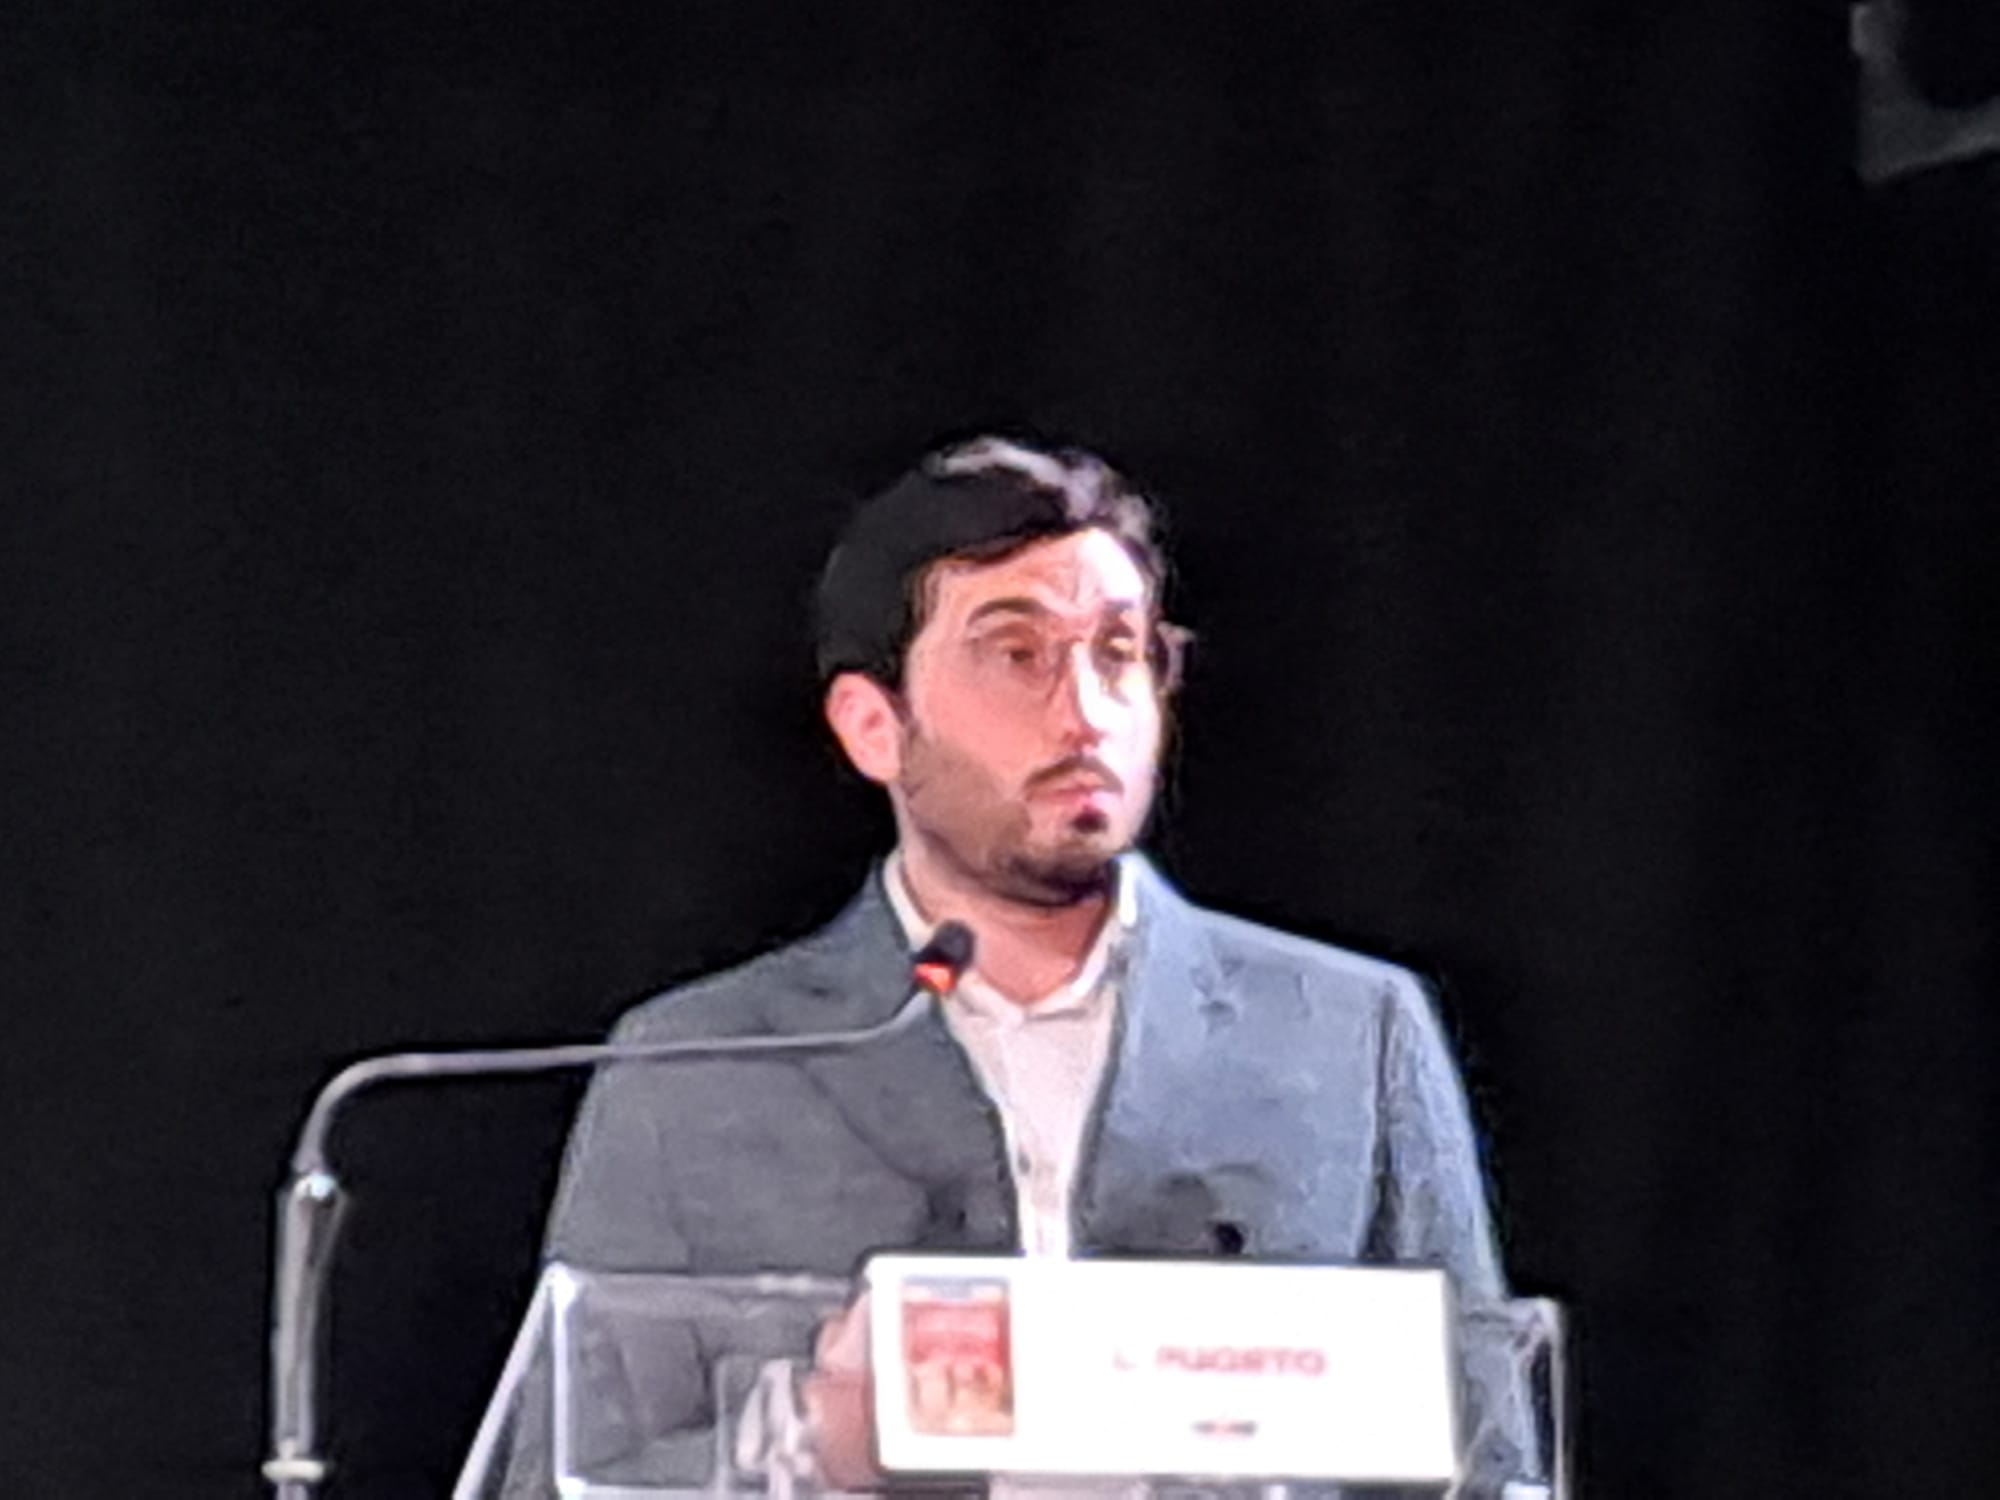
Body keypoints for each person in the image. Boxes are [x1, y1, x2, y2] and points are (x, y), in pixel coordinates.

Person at [535, 436, 1539, 1496]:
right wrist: (806, 1443)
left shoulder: (1347, 1034)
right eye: (1017, 655)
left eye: (1118, 652)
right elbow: (556, 1479)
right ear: (874, 727)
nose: (1085, 712)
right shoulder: (697, 1067)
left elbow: (1487, 1462)